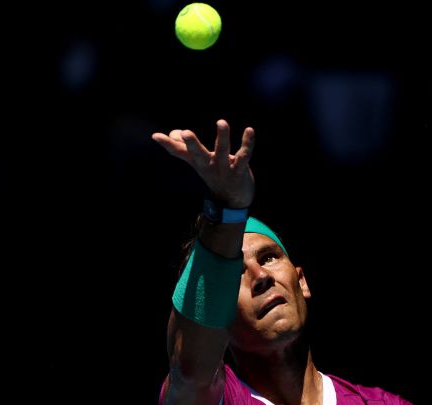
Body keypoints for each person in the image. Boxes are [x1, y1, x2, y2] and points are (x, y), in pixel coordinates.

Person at [152, 119, 413, 405]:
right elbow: (189, 369)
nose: (261, 275)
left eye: (269, 257)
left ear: (301, 281)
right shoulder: (212, 398)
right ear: (214, 311)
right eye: (235, 275)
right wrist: (229, 207)